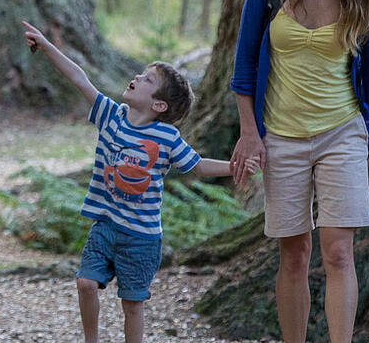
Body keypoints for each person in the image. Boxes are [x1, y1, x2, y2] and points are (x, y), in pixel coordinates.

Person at [20, 21, 256, 343]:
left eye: (147, 79)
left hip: (142, 238)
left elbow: (197, 166)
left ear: (159, 105)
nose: (136, 78)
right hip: (105, 226)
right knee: (85, 283)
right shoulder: (110, 116)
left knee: (132, 304)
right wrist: (47, 46)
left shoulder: (166, 137)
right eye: (141, 75)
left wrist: (234, 166)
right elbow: (79, 77)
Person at [226, 0, 369, 343]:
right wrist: (249, 133)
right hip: (281, 136)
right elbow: (243, 67)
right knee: (294, 254)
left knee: (338, 254)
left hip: (342, 135)